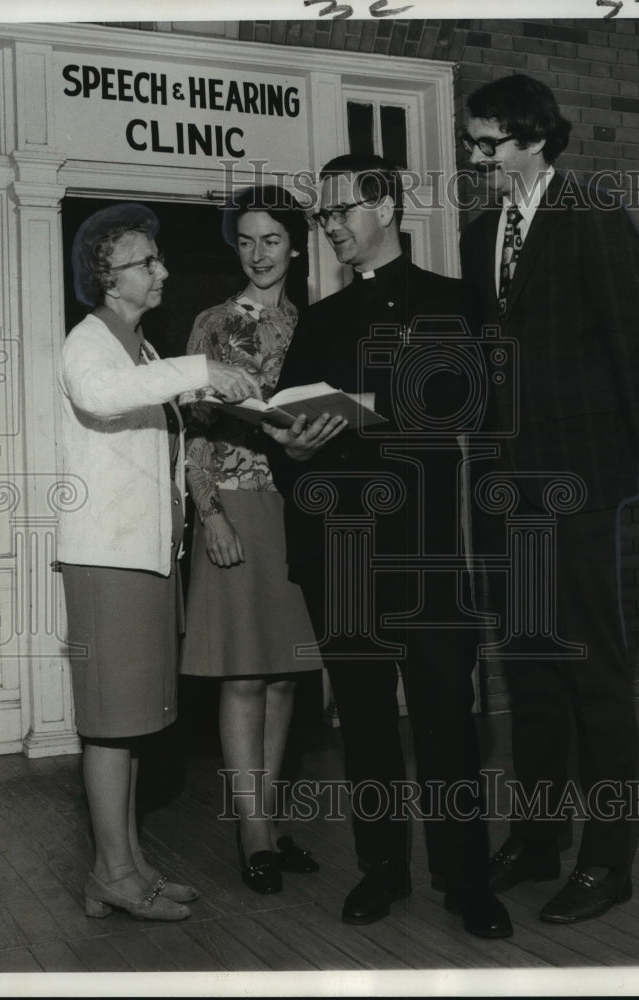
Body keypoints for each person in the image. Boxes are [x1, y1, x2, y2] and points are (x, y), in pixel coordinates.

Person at [263, 154, 512, 940]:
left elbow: (462, 398)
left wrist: (366, 404)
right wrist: (291, 444)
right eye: (323, 217)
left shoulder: (450, 300)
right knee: (364, 723)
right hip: (339, 552)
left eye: (340, 212)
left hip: (426, 555)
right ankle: (381, 870)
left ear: (387, 208)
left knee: (447, 719)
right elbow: (284, 427)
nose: (328, 227)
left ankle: (467, 880)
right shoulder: (320, 319)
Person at [459, 74, 639, 924]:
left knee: (594, 676)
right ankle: (539, 837)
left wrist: (607, 473)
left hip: (578, 490)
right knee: (531, 672)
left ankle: (607, 860)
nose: (475, 158)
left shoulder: (593, 217)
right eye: (471, 143)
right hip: (505, 491)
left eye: (488, 144)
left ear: (537, 139)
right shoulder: (483, 235)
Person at [57, 201, 258, 921]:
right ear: (109, 277)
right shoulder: (91, 344)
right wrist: (200, 365)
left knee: (136, 721)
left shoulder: (137, 348)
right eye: (147, 262)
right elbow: (99, 397)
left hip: (144, 559)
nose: (161, 271)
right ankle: (113, 870)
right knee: (112, 723)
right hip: (108, 560)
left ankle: (127, 865)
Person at [179, 186, 322, 895]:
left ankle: (268, 814)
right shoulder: (211, 323)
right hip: (235, 503)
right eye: (247, 240)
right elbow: (195, 429)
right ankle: (252, 828)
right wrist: (210, 515)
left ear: (296, 245)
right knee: (241, 674)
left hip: (299, 508)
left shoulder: (316, 322)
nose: (259, 253)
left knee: (288, 672)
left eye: (272, 240)